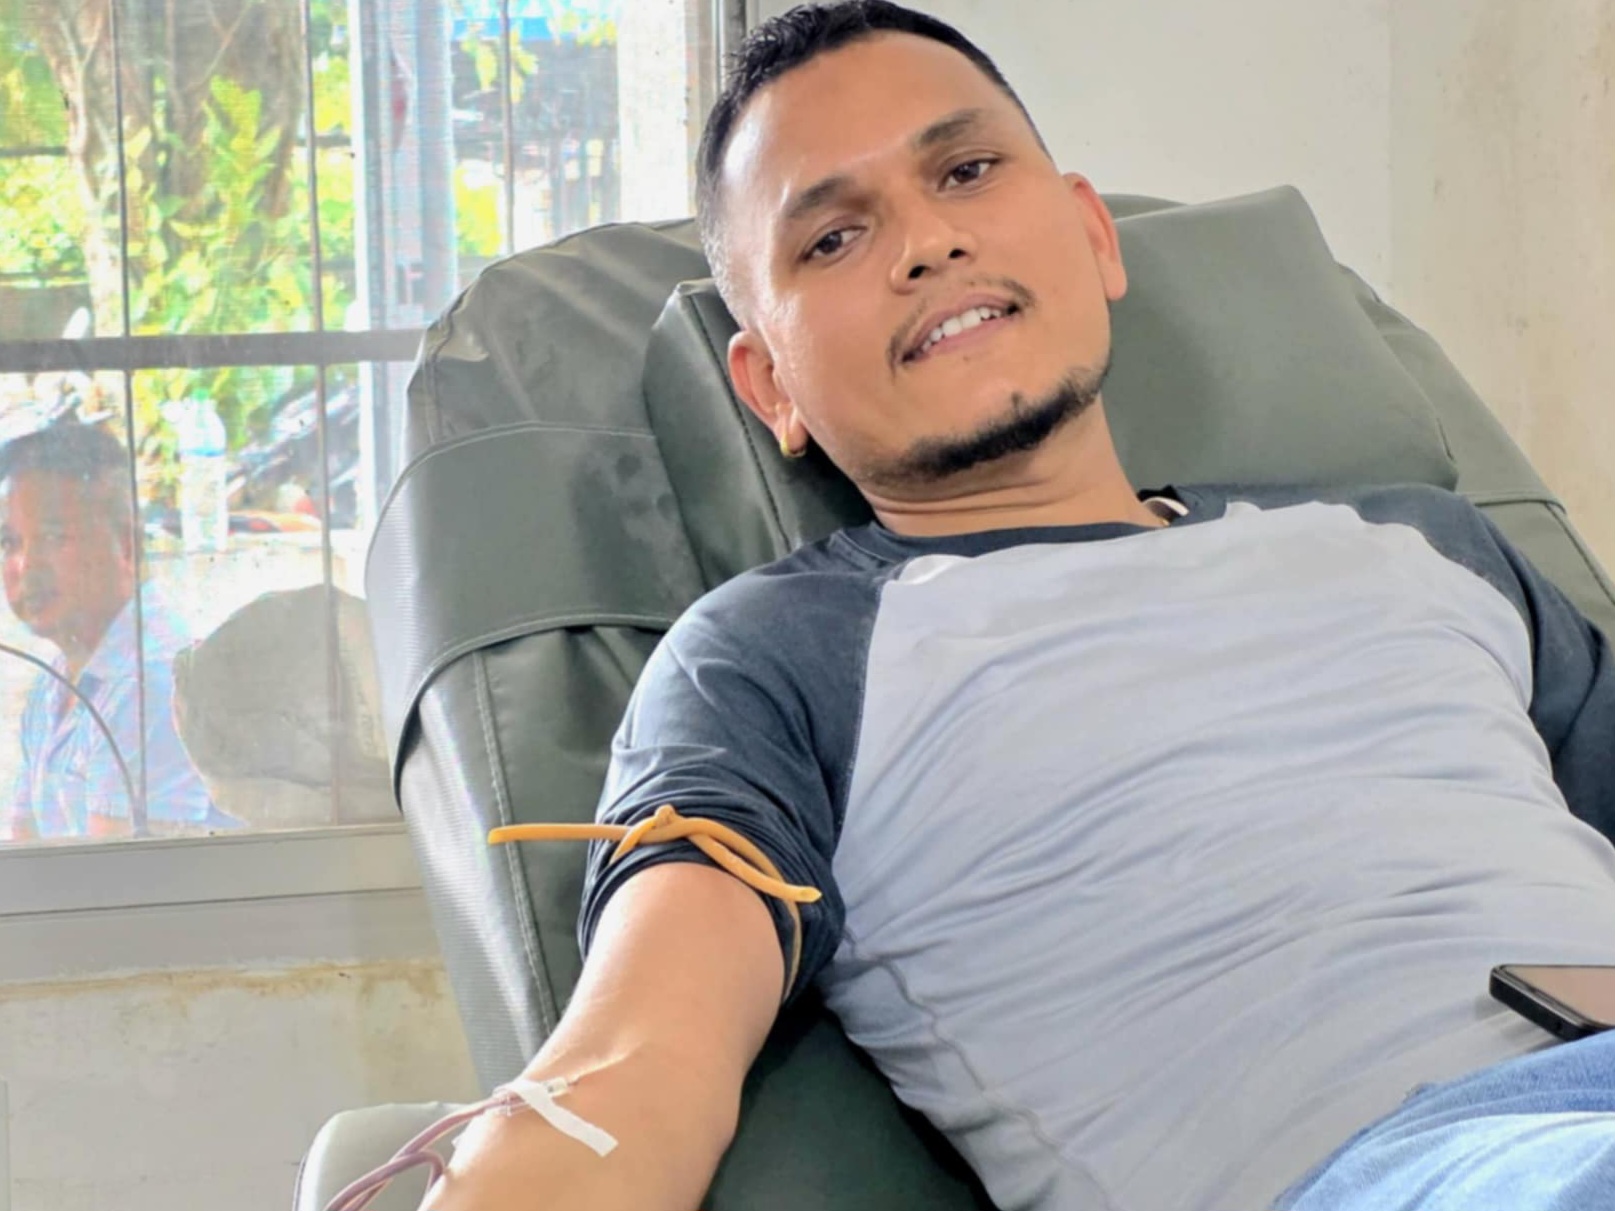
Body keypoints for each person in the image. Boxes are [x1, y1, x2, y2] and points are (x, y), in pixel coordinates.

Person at [426, 5, 1615, 1210]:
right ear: (768, 383)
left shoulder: (1427, 544)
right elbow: (629, 1069)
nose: (926, 241)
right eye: (833, 237)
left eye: (966, 171)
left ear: (1093, 238)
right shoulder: (776, 657)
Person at [0, 422, 227, 839]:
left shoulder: (152, 684)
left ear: (126, 546)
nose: (26, 566)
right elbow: (25, 848)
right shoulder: (53, 685)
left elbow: (118, 874)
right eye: (9, 543)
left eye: (53, 537)